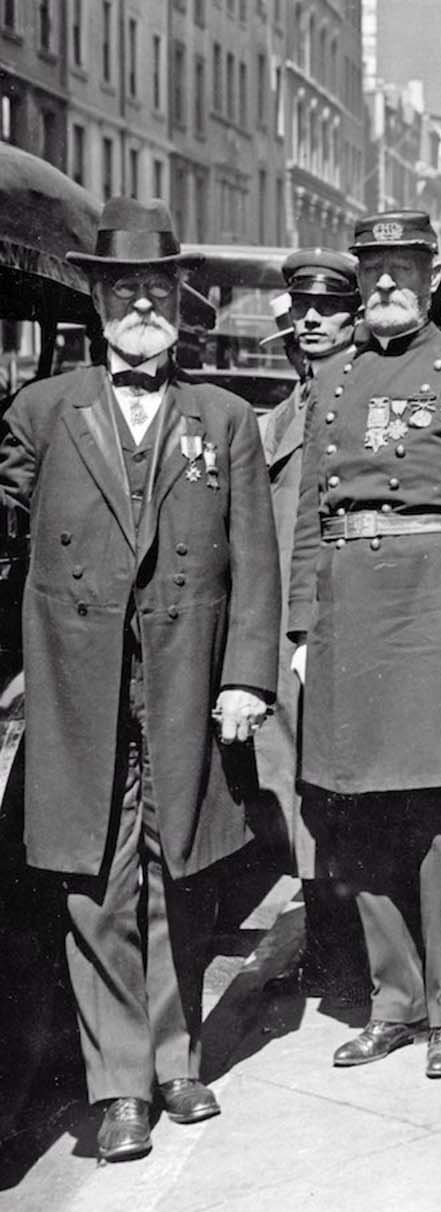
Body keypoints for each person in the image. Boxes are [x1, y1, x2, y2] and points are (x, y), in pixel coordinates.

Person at [0, 198, 278, 1161]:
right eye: (125, 291)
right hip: (77, 684)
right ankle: (119, 1086)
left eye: (158, 289)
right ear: (97, 299)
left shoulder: (225, 418)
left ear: (179, 299)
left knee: (183, 868)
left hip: (185, 678)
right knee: (92, 876)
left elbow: (256, 561)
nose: (143, 307)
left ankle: (175, 1060)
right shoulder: (41, 412)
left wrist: (247, 676)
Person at [287, 210, 441, 1080]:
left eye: (403, 268)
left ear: (432, 277)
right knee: (357, 812)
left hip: (437, 607)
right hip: (350, 609)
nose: (386, 284)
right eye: (374, 269)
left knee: (436, 821)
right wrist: (304, 629)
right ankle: (396, 1000)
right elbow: (313, 517)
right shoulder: (336, 380)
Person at [256, 249, 367, 1000]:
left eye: (327, 311)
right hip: (288, 633)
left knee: (344, 795)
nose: (312, 322)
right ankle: (329, 948)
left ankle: (364, 956)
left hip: (349, 625)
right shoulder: (287, 408)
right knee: (299, 796)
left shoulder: (362, 395)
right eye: (301, 313)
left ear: (354, 317)